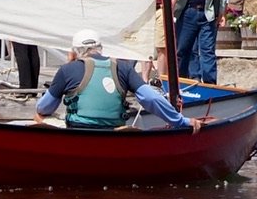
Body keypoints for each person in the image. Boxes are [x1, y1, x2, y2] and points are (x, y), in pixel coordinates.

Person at [36, 30, 195, 130]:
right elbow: (150, 98)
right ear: (101, 48)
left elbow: (44, 108)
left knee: (39, 118)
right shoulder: (123, 67)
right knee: (134, 127)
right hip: (113, 131)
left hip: (78, 130)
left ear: (75, 52)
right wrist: (181, 121)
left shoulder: (67, 70)